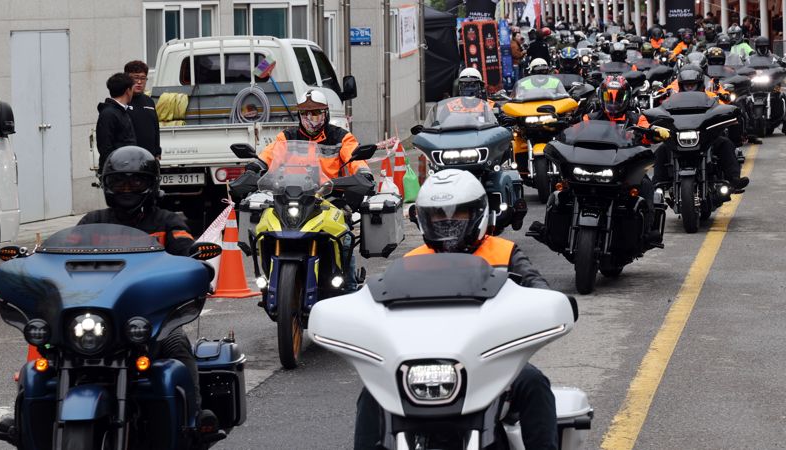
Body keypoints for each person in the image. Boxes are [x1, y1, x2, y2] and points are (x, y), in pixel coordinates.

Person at [354, 169, 557, 450]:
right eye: (439, 216)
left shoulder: (503, 252)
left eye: (458, 215)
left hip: (493, 359)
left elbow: (539, 289)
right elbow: (377, 302)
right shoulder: (411, 262)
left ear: (477, 214)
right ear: (425, 220)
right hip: (420, 359)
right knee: (372, 393)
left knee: (534, 383)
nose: (448, 222)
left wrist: (545, 305)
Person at [78, 146, 221, 436]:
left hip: (152, 319)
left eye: (135, 182)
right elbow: (59, 257)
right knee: (50, 355)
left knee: (177, 347)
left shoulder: (168, 222)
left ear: (151, 184)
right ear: (107, 185)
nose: (126, 188)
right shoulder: (92, 222)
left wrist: (196, 267)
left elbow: (187, 252)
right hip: (98, 315)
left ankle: (194, 419)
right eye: (119, 182)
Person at [257, 90, 373, 289]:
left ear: (325, 113)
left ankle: (349, 287)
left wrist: (363, 173)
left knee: (343, 238)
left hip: (329, 200)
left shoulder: (341, 137)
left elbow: (356, 156)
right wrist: (254, 167)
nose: (310, 118)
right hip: (291, 198)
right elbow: (269, 156)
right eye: (305, 113)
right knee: (265, 230)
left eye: (316, 113)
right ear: (299, 115)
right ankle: (270, 282)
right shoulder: (286, 137)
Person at [580, 76, 668, 243]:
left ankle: (648, 231)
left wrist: (654, 133)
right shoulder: (590, 118)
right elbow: (575, 134)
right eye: (609, 97)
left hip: (624, 168)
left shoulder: (636, 119)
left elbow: (647, 133)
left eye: (618, 97)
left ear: (627, 98)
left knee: (647, 185)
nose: (613, 102)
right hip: (593, 164)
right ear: (601, 97)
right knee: (564, 186)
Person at [651, 67, 749, 191]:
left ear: (700, 84)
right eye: (687, 85)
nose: (690, 88)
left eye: (692, 85)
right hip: (679, 135)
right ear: (681, 85)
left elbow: (722, 105)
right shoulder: (672, 98)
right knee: (662, 150)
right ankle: (656, 184)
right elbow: (662, 106)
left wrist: (725, 102)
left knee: (725, 144)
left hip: (704, 135)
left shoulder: (710, 96)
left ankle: (734, 179)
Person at [96, 72, 136, 172]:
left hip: (126, 169)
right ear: (128, 91)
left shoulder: (121, 111)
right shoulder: (109, 113)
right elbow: (105, 147)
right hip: (116, 173)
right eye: (132, 88)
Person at [124, 60, 161, 159]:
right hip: (130, 158)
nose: (139, 82)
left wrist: (157, 152)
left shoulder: (149, 101)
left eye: (143, 78)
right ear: (127, 78)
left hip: (150, 157)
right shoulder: (123, 101)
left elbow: (155, 128)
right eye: (135, 78)